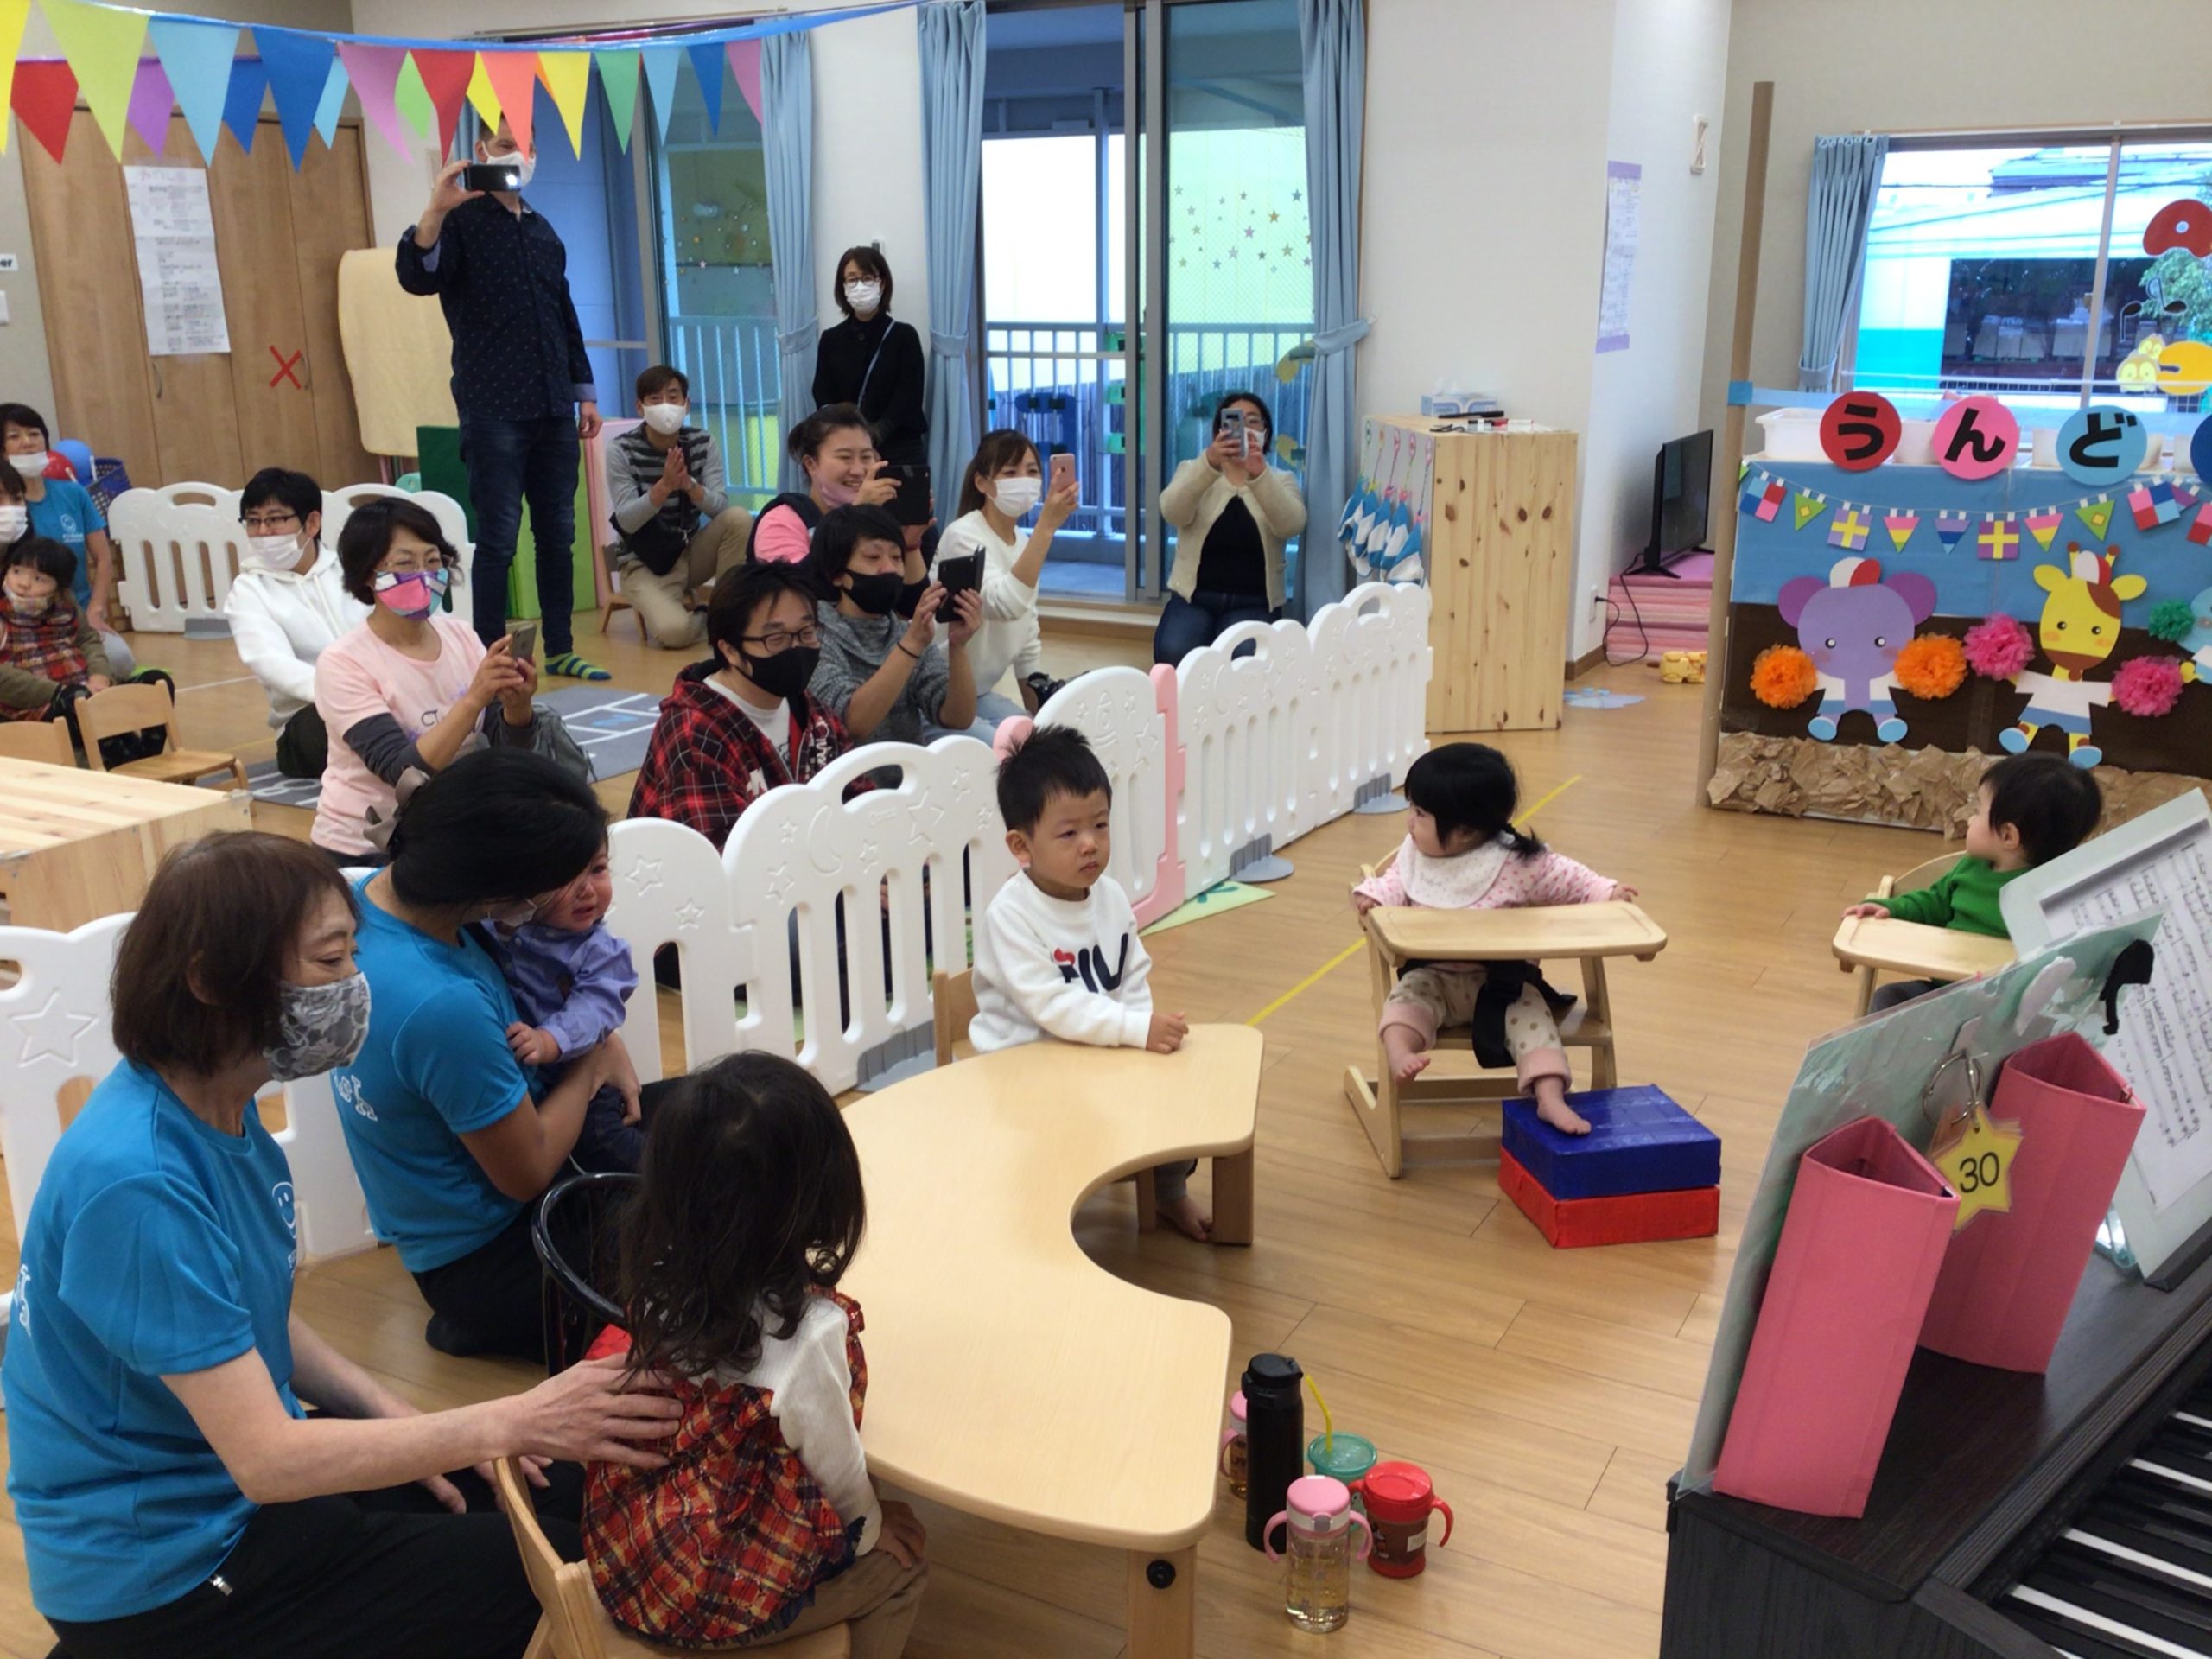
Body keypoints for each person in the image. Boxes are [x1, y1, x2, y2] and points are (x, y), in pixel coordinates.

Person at [2, 830, 683, 1659]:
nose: (357, 986)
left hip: (234, 1496)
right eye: (331, 961)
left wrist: (396, 1414)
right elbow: (266, 1460)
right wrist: (509, 1419)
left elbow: (243, 1316)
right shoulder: (137, 1181)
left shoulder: (213, 1109)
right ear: (213, 981)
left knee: (560, 1494)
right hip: (172, 1575)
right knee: (567, 1572)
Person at [585, 1052, 928, 1656]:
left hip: (634, 1546)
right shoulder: (810, 1335)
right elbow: (838, 1470)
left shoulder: (666, 1274)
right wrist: (872, 1530)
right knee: (904, 1571)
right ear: (818, 1196)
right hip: (711, 1589)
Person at [334, 750, 648, 1361]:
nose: (580, 894)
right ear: (498, 890)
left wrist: (597, 1039)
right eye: (556, 881)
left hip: (487, 1193)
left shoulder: (368, 898)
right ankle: (491, 1322)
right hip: (495, 1250)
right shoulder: (441, 1001)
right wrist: (592, 1059)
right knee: (704, 1238)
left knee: (724, 1118)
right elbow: (528, 1171)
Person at [396, 117, 609, 682]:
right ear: (481, 150)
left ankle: (560, 646)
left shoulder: (543, 231)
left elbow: (564, 315)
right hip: (492, 405)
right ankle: (487, 655)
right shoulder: (461, 223)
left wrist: (584, 393)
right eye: (507, 145)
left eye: (529, 146)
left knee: (558, 534)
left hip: (553, 404)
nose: (520, 156)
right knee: (498, 536)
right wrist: (435, 209)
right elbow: (417, 277)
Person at [968, 728, 1205, 1238]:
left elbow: (1131, 973)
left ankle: (1168, 1193)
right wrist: (1131, 1030)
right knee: (1063, 1133)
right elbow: (1052, 1006)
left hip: (1093, 1050)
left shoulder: (1110, 896)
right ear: (1021, 845)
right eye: (1069, 833)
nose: (1091, 843)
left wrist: (1139, 1030)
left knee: (1176, 1094)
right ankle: (1040, 1214)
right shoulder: (1011, 916)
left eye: (1100, 824)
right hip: (1022, 1067)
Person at [1353, 743, 1636, 1136]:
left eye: (1420, 813)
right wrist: (1373, 897)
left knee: (1537, 1028)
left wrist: (1607, 892)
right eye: (1411, 807)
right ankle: (1401, 1055)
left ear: (1465, 831)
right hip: (1432, 977)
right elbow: (1393, 885)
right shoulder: (1415, 854)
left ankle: (1550, 1098)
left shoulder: (1517, 862)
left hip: (1504, 984)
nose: (1409, 822)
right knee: (1401, 1007)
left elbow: (1572, 879)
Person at [310, 497, 543, 865]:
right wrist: (473, 699)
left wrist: (518, 706)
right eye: (405, 563)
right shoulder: (343, 662)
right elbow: (403, 773)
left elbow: (506, 748)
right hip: (366, 847)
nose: (423, 575)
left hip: (448, 829)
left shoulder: (460, 635)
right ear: (368, 575)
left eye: (433, 561)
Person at [627, 560, 862, 852]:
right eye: (776, 638)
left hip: (808, 870)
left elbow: (860, 800)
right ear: (729, 649)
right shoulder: (694, 735)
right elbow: (723, 857)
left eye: (806, 633)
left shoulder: (811, 712)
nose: (796, 648)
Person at [1842, 753, 2103, 1012]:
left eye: (1978, 811)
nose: (1970, 819)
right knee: (1890, 997)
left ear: (2007, 835)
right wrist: (1892, 909)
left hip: (2010, 1008)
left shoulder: (2051, 896)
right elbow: (1934, 903)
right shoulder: (1969, 868)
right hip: (1945, 992)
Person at [480, 836, 645, 1173]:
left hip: (580, 1080)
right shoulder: (494, 925)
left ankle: (679, 1174)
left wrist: (548, 1040)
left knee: (602, 1143)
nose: (587, 890)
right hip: (525, 1087)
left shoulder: (600, 950)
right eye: (565, 877)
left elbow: (593, 1010)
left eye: (598, 869)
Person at [224, 467, 368, 779]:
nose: (263, 532)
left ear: (312, 523)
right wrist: (349, 693)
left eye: (275, 519)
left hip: (380, 695)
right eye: (253, 521)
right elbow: (271, 662)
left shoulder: (351, 570)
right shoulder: (249, 590)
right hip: (308, 718)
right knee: (346, 728)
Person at [932, 429, 1078, 721]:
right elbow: (1004, 605)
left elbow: (1027, 633)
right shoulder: (962, 535)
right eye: (1010, 472)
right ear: (982, 483)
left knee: (1036, 737)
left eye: (1032, 471)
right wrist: (1046, 527)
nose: (1023, 480)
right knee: (1004, 747)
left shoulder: (1023, 543)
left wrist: (1040, 715)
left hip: (979, 692)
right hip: (937, 693)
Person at [1154, 391, 1307, 664]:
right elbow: (1172, 512)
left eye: (1253, 421)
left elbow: (1292, 525)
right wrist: (1209, 464)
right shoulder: (1192, 469)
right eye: (1235, 421)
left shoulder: (1281, 479)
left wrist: (1259, 474)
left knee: (1246, 662)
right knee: (1173, 652)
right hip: (1194, 598)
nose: (1245, 429)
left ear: (1265, 432)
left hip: (1255, 601)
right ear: (1219, 432)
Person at [808, 505, 981, 744]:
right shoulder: (814, 636)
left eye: (897, 557)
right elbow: (853, 723)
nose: (889, 568)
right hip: (850, 769)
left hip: (909, 766)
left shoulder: (904, 632)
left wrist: (958, 646)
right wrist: (911, 645)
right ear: (837, 574)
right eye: (873, 557)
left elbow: (957, 718)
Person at [607, 364, 752, 650]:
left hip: (689, 551)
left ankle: (727, 612)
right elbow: (626, 520)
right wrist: (664, 487)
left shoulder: (702, 442)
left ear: (686, 404)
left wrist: (689, 486)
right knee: (675, 633)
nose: (666, 406)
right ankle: (708, 618)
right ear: (640, 407)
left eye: (673, 397)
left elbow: (720, 507)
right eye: (655, 399)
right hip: (643, 562)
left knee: (739, 518)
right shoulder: (621, 449)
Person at [0, 537, 173, 755]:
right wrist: (58, 692)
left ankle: (148, 756)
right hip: (41, 704)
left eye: (38, 578)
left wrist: (100, 676)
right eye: (16, 572)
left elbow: (88, 639)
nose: (23, 583)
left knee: (156, 681)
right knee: (79, 702)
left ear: (58, 587)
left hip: (84, 689)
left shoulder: (66, 606)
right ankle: (119, 760)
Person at [0, 400, 133, 675]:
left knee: (119, 661)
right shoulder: (9, 512)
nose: (27, 442)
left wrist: (95, 611)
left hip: (75, 615)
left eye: (34, 434)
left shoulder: (73, 493)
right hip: (22, 620)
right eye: (14, 436)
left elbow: (103, 558)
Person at [811, 245, 928, 512]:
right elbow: (822, 394)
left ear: (882, 283)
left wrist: (874, 436)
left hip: (899, 448)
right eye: (852, 279)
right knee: (850, 525)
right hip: (847, 453)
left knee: (910, 525)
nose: (860, 286)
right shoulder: (831, 339)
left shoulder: (904, 336)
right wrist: (854, 439)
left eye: (867, 278)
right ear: (842, 287)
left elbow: (908, 397)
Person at [748, 404, 899, 565]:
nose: (858, 470)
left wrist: (911, 545)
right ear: (811, 464)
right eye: (845, 457)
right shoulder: (781, 522)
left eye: (866, 457)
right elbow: (799, 579)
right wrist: (856, 517)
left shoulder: (882, 518)